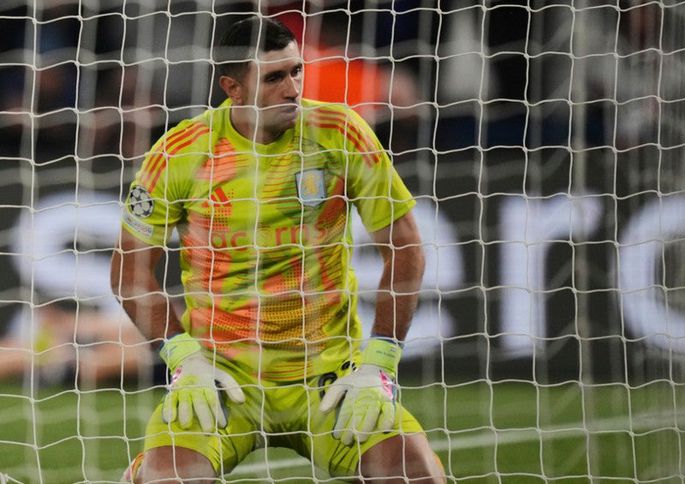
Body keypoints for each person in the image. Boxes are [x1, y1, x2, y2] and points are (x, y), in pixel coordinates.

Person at [110, 16, 443, 482]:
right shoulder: (181, 152)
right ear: (233, 88)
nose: (293, 89)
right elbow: (129, 272)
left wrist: (380, 363)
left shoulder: (339, 132)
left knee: (417, 476)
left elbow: (405, 248)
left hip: (329, 377)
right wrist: (184, 359)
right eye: (274, 78)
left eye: (296, 71)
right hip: (223, 380)